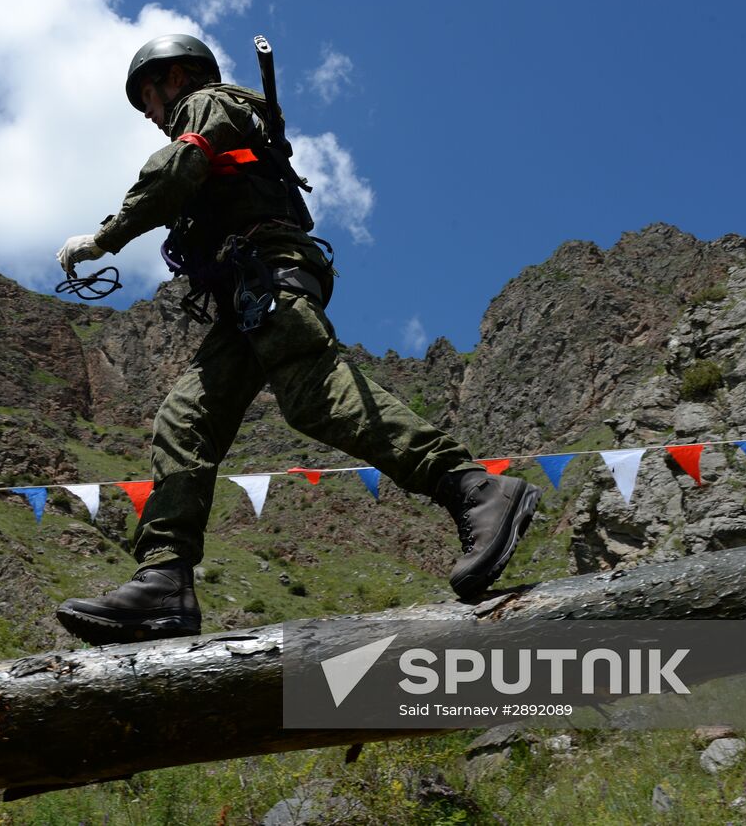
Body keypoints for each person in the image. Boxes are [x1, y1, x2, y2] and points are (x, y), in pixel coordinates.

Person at [54, 34, 539, 645]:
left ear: (173, 77)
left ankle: (475, 488)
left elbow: (179, 166)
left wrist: (106, 236)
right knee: (183, 419)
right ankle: (164, 580)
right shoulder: (218, 110)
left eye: (146, 98)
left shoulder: (209, 105)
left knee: (315, 395)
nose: (149, 115)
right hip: (245, 292)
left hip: (269, 273)